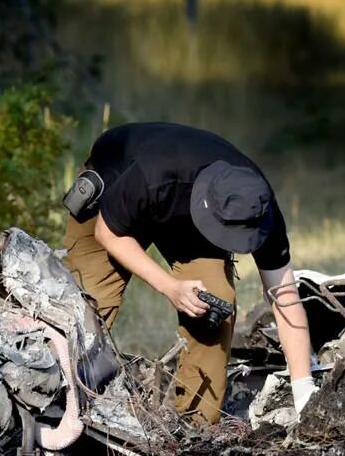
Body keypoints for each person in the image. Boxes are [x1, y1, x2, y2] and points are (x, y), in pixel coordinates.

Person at [62, 122, 315, 425]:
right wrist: (170, 287)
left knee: (214, 303)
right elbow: (107, 233)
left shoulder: (259, 207)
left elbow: (284, 296)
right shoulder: (157, 174)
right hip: (120, 187)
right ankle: (60, 405)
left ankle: (196, 430)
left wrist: (304, 391)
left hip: (186, 209)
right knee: (85, 305)